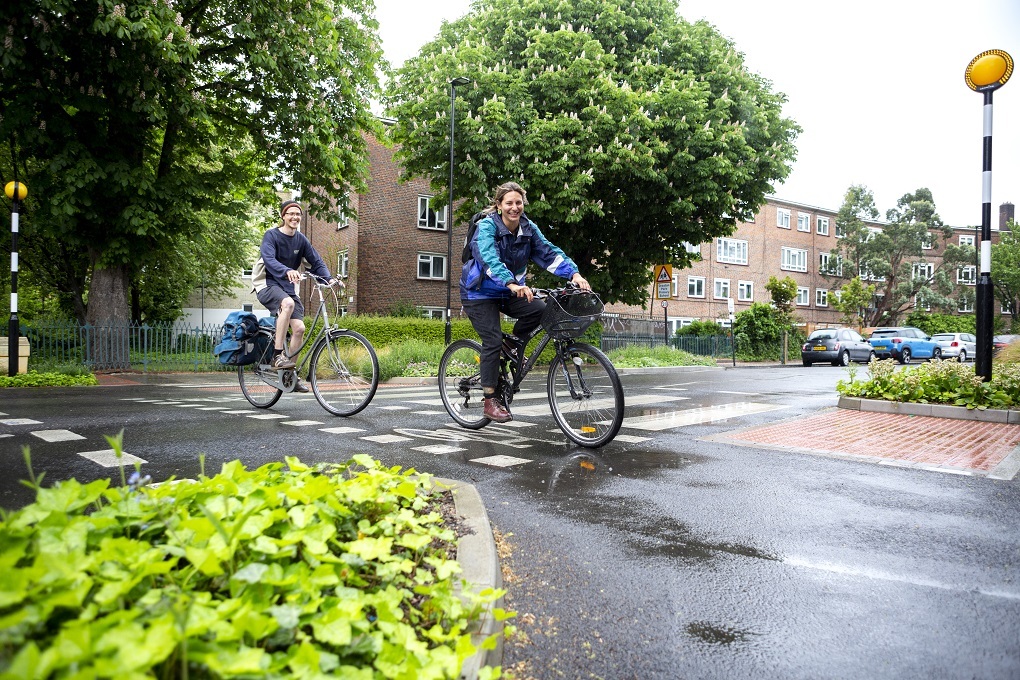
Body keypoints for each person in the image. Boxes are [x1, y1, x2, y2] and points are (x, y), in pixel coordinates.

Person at [460, 181, 590, 422]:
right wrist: (511, 282)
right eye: (509, 203)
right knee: (492, 339)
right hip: (479, 292)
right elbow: (488, 257)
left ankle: (511, 346)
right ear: (499, 205)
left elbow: (548, 253)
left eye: (518, 202)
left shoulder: (528, 229)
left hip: (509, 289)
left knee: (540, 310)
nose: (514, 207)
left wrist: (574, 274)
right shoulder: (487, 227)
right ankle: (490, 400)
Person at [251, 199, 335, 392]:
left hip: (287, 288)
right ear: (283, 216)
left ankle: (290, 375)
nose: (295, 217)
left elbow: (316, 261)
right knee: (287, 304)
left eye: (298, 214)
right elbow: (269, 260)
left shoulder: (301, 240)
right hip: (267, 284)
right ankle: (277, 355)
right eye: (291, 213)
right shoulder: (271, 236)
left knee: (299, 329)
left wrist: (328, 279)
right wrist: (287, 270)